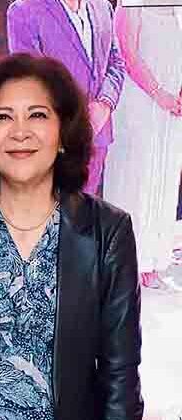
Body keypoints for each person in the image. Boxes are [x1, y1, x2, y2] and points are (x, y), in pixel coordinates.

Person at [0, 53, 143, 419]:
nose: (20, 131)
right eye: (3, 117)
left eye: (38, 115)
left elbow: (120, 375)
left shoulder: (107, 230)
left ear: (63, 135)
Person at [7, 0, 126, 196]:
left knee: (82, 210)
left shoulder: (103, 6)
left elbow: (116, 63)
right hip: (53, 138)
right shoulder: (24, 10)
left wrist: (105, 103)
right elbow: (29, 76)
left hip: (97, 136)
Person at [105, 5, 182, 289]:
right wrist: (160, 94)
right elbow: (127, 54)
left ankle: (153, 260)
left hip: (172, 106)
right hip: (139, 101)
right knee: (134, 178)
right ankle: (126, 263)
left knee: (163, 176)